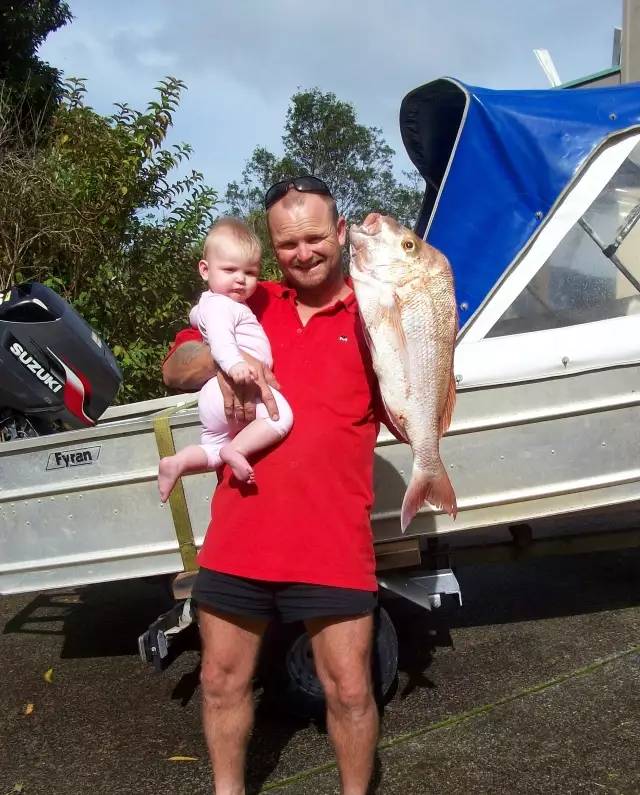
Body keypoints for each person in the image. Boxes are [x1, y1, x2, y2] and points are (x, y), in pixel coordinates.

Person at [162, 176, 402, 795]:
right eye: (287, 242)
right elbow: (175, 367)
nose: (303, 252)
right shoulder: (243, 301)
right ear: (272, 246)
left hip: (332, 539)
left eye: (316, 237)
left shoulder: (376, 313)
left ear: (341, 233)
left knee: (350, 690)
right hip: (241, 534)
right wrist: (226, 358)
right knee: (220, 681)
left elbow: (410, 411)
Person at [157, 217, 293, 502]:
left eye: (250, 272)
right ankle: (238, 450)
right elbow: (219, 338)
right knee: (281, 419)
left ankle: (179, 462)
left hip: (211, 400)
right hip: (237, 386)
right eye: (230, 270)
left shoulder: (209, 303)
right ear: (205, 270)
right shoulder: (223, 305)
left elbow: (201, 320)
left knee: (213, 448)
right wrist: (234, 365)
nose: (241, 279)